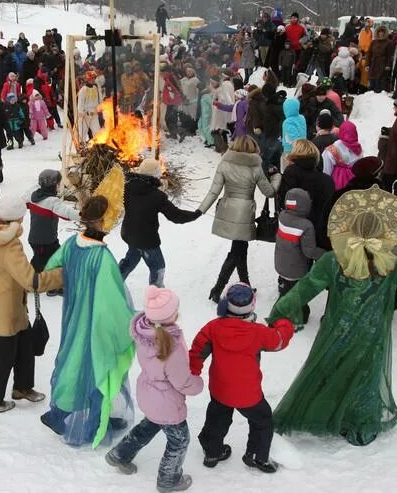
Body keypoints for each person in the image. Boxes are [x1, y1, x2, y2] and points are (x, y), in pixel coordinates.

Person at [267, 186, 397, 446]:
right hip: (372, 332)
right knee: (365, 374)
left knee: (329, 368)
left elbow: (304, 289)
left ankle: (323, 411)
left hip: (337, 329)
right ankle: (359, 422)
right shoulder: (389, 264)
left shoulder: (334, 260)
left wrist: (278, 311)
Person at [40, 195, 136, 447]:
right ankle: (91, 420)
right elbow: (112, 302)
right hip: (94, 323)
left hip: (72, 318)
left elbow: (52, 267)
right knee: (96, 367)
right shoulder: (103, 258)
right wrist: (130, 324)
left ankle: (63, 413)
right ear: (104, 222)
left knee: (72, 362)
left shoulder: (71, 243)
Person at [0, 197, 63, 414]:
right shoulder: (9, 244)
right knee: (2, 356)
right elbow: (31, 281)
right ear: (19, 217)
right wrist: (61, 275)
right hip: (6, 309)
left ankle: (22, 387)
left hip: (8, 306)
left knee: (24, 346)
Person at [105, 286, 203, 492]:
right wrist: (197, 384)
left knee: (148, 426)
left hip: (149, 393)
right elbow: (181, 381)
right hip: (167, 401)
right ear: (170, 316)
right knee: (179, 440)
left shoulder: (143, 331)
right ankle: (169, 480)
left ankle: (120, 455)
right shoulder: (171, 346)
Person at [190, 283, 294, 473]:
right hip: (249, 394)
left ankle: (212, 451)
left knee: (217, 418)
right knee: (262, 421)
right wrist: (284, 323)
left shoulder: (213, 328)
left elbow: (197, 351)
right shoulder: (259, 332)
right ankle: (256, 456)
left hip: (220, 389)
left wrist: (192, 373)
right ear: (251, 307)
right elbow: (279, 339)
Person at [198, 136, 280, 301]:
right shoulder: (255, 167)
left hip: (227, 209)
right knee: (237, 251)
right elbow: (269, 192)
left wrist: (200, 210)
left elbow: (214, 192)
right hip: (244, 212)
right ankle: (217, 288)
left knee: (240, 249)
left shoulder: (224, 163)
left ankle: (245, 284)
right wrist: (277, 177)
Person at [119, 159, 200, 287]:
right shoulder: (157, 196)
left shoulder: (127, 188)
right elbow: (176, 216)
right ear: (155, 175)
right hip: (147, 240)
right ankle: (156, 295)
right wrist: (196, 214)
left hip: (129, 233)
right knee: (158, 266)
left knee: (131, 258)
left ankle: (113, 283)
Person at [275, 188, 325, 324]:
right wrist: (326, 254)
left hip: (281, 263)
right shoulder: (306, 226)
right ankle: (300, 315)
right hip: (297, 267)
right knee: (298, 293)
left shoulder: (282, 216)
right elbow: (309, 251)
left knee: (287, 288)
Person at [25, 169, 78, 293]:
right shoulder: (52, 202)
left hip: (41, 239)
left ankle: (53, 286)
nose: (59, 186)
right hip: (44, 241)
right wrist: (84, 214)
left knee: (51, 260)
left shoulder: (33, 196)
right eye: (58, 184)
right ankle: (28, 284)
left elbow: (23, 201)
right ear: (54, 186)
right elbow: (67, 213)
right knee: (41, 264)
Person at [278, 139, 334, 249]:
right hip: (321, 233)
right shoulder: (327, 180)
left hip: (296, 233)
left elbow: (283, 202)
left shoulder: (290, 174)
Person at [322, 120, 362, 191]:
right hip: (355, 184)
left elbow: (326, 172)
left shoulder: (333, 149)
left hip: (337, 184)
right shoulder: (359, 149)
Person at [77, 71, 102, 144]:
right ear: (88, 79)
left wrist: (99, 107)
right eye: (92, 78)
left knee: (97, 130)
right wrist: (81, 113)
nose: (93, 80)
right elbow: (80, 102)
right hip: (86, 114)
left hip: (94, 114)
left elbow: (98, 99)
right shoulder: (83, 90)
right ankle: (82, 145)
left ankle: (98, 145)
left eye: (94, 78)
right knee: (83, 131)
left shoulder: (95, 88)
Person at [281, 97, 306, 169]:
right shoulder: (301, 118)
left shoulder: (288, 122)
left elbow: (294, 137)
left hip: (291, 150)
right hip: (303, 148)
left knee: (288, 170)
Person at [368, 26, 394, 93]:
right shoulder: (373, 42)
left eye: (382, 32)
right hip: (374, 63)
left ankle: (380, 96)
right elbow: (369, 54)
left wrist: (388, 65)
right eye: (379, 32)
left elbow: (390, 55)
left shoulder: (389, 42)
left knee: (381, 81)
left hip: (383, 64)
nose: (381, 33)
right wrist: (367, 64)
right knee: (372, 80)